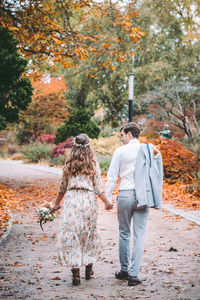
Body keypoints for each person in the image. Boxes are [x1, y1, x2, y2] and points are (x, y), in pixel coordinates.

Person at [106, 122, 162, 286]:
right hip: (143, 196)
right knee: (139, 235)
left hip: (125, 194)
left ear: (129, 134)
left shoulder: (120, 151)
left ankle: (124, 270)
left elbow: (111, 176)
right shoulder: (149, 150)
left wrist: (107, 198)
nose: (121, 138)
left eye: (122, 135)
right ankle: (134, 274)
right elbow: (156, 172)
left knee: (124, 233)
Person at [52, 133, 113, 286]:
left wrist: (56, 204)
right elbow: (98, 188)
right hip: (88, 202)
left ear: (74, 147)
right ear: (89, 147)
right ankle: (89, 268)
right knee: (88, 233)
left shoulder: (68, 165)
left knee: (72, 235)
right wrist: (107, 203)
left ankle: (76, 274)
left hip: (72, 201)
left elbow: (62, 187)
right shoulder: (93, 164)